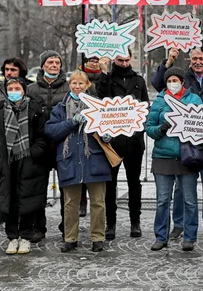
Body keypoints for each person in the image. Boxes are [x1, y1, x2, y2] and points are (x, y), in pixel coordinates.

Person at [151, 48, 203, 241]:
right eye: (195, 58)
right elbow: (157, 82)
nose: (198, 61)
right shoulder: (182, 78)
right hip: (180, 149)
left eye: (202, 59)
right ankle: (178, 225)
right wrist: (169, 60)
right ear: (189, 61)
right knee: (180, 191)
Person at [45, 70, 112, 253]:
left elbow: (109, 127)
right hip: (70, 159)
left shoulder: (97, 106)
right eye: (74, 83)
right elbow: (52, 132)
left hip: (94, 158)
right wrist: (72, 121)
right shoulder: (60, 107)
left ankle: (98, 238)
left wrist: (107, 135)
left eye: (81, 83)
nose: (77, 86)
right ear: (70, 85)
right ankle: (70, 238)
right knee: (70, 203)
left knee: (98, 202)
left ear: (87, 85)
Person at [0, 77, 50, 255]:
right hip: (6, 162)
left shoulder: (35, 110)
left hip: (28, 160)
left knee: (27, 199)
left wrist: (33, 153)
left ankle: (26, 237)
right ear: (6, 91)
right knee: (9, 200)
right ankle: (12, 237)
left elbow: (43, 137)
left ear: (24, 90)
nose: (14, 91)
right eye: (10, 88)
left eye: (17, 88)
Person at [145, 67, 203, 251]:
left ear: (182, 82)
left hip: (187, 156)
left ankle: (190, 237)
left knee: (190, 200)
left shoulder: (194, 99)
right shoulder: (159, 101)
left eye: (176, 80)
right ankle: (161, 236)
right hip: (163, 156)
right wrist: (160, 129)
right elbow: (149, 128)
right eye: (169, 80)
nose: (173, 83)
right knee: (162, 200)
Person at [96, 53, 149, 240]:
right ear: (114, 60)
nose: (124, 64)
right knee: (110, 184)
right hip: (113, 142)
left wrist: (137, 129)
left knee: (134, 184)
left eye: (127, 60)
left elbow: (145, 108)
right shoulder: (108, 79)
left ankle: (135, 221)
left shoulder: (139, 80)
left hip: (134, 142)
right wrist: (103, 73)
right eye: (120, 61)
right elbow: (100, 99)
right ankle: (111, 223)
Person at [27, 50, 73, 241]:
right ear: (43, 65)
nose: (54, 65)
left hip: (64, 143)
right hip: (40, 145)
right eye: (50, 62)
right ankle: (39, 227)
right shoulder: (31, 89)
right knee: (39, 188)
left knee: (67, 189)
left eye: (57, 62)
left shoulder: (71, 87)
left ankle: (67, 227)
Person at [0, 57, 31, 227]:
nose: (9, 73)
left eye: (13, 70)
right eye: (6, 70)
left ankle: (25, 219)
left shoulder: (26, 87)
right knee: (2, 180)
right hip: (2, 140)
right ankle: (2, 212)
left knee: (23, 182)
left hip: (22, 141)